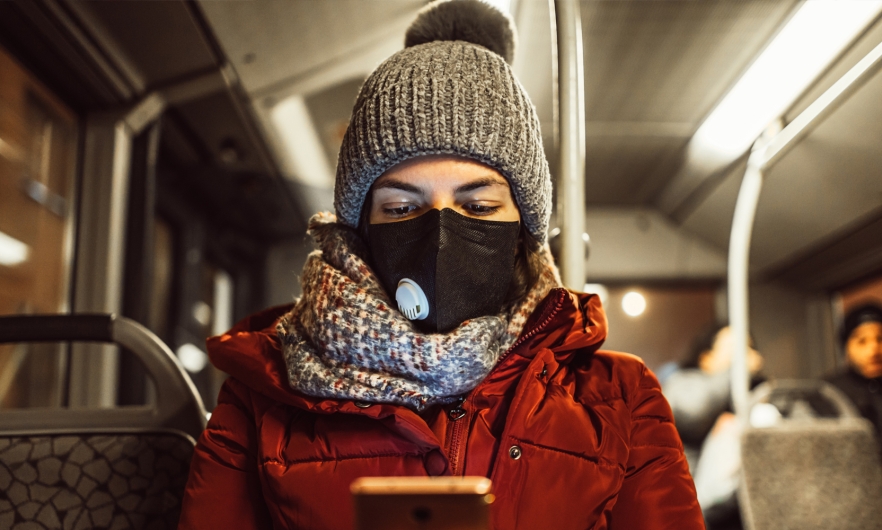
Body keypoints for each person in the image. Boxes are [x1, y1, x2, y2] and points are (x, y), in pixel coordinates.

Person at [178, 1, 703, 529]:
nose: (440, 235)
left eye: (477, 207)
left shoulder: (619, 401)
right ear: (360, 230)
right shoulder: (262, 394)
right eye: (402, 209)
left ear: (524, 227)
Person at [662, 325, 764, 530]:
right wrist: (737, 371)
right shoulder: (682, 383)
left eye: (748, 348)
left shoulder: (757, 393)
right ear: (706, 358)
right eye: (734, 348)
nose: (744, 355)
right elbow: (691, 412)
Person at [825, 302, 882, 454]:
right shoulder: (828, 392)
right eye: (862, 341)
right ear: (846, 347)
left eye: (880, 339)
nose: (874, 350)